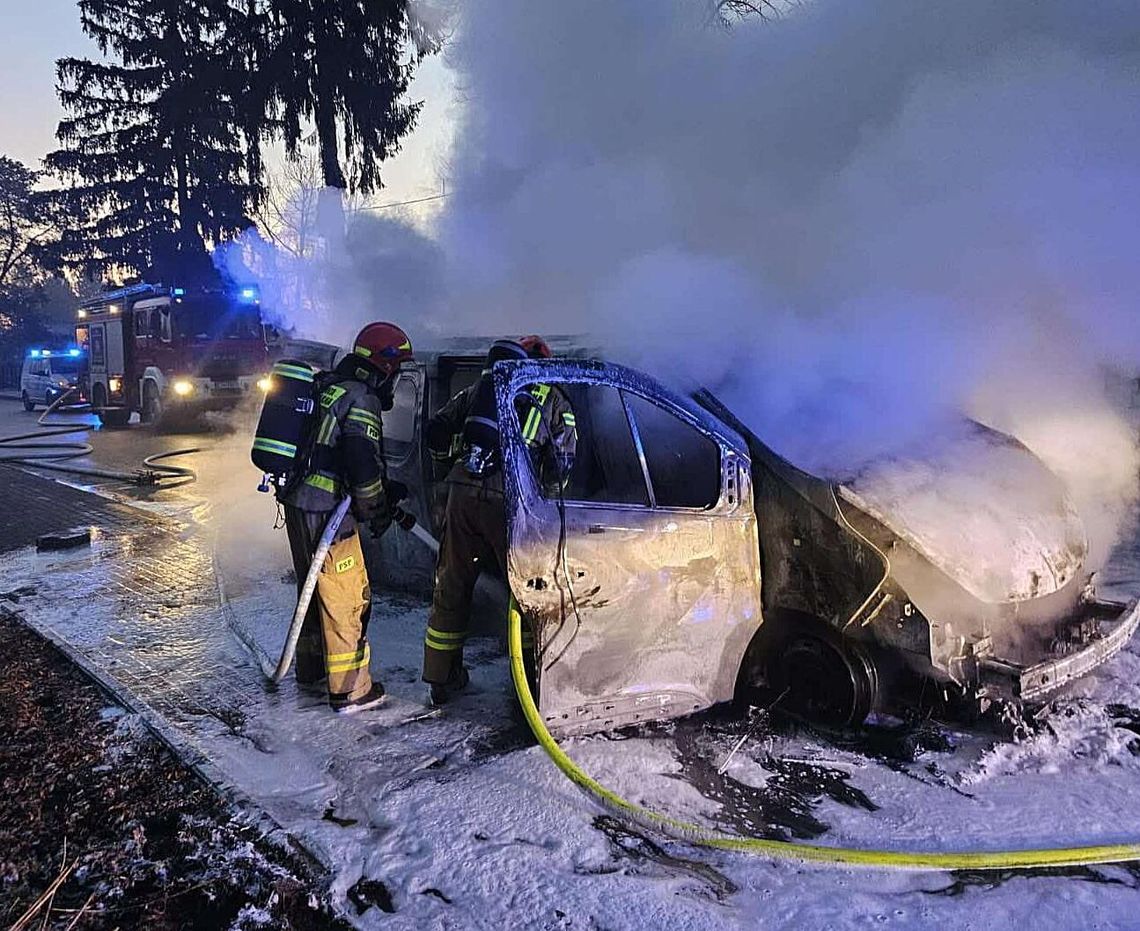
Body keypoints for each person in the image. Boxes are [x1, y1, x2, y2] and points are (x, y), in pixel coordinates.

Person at [422, 336, 577, 705]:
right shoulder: (553, 400)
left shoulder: (481, 389)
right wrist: (550, 502)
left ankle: (441, 679)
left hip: (461, 491)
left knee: (452, 586)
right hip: (511, 499)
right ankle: (529, 684)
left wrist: (449, 470)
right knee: (526, 593)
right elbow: (563, 463)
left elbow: (436, 431)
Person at [283, 322, 413, 713]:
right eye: (397, 368)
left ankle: (311, 669)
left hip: (298, 504)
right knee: (347, 598)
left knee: (313, 590)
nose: (397, 379)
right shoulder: (362, 397)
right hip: (328, 513)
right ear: (383, 365)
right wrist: (376, 507)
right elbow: (360, 460)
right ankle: (351, 690)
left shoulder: (329, 386)